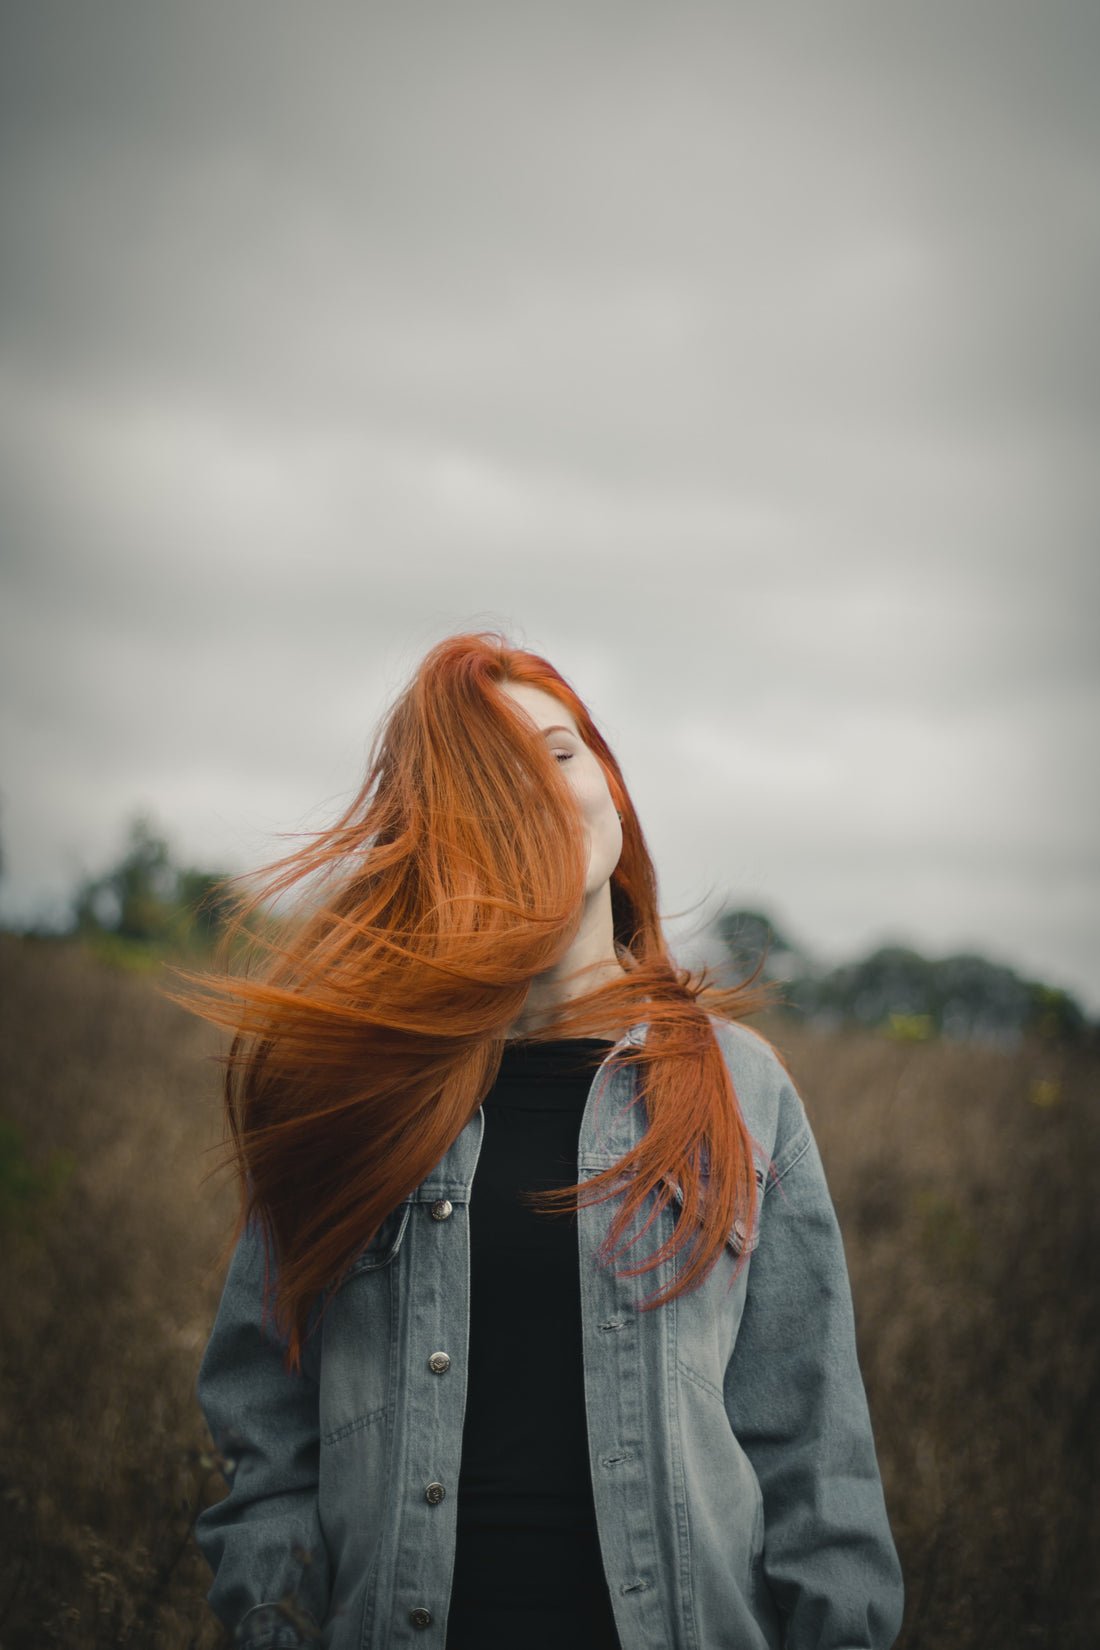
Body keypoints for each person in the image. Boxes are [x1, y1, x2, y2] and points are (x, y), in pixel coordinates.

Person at [191, 633, 904, 1650]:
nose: (541, 792)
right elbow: (265, 1428)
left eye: (561, 753)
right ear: (440, 834)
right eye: (493, 779)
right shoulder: (352, 1089)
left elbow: (811, 1453)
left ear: (609, 780)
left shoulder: (742, 1087)